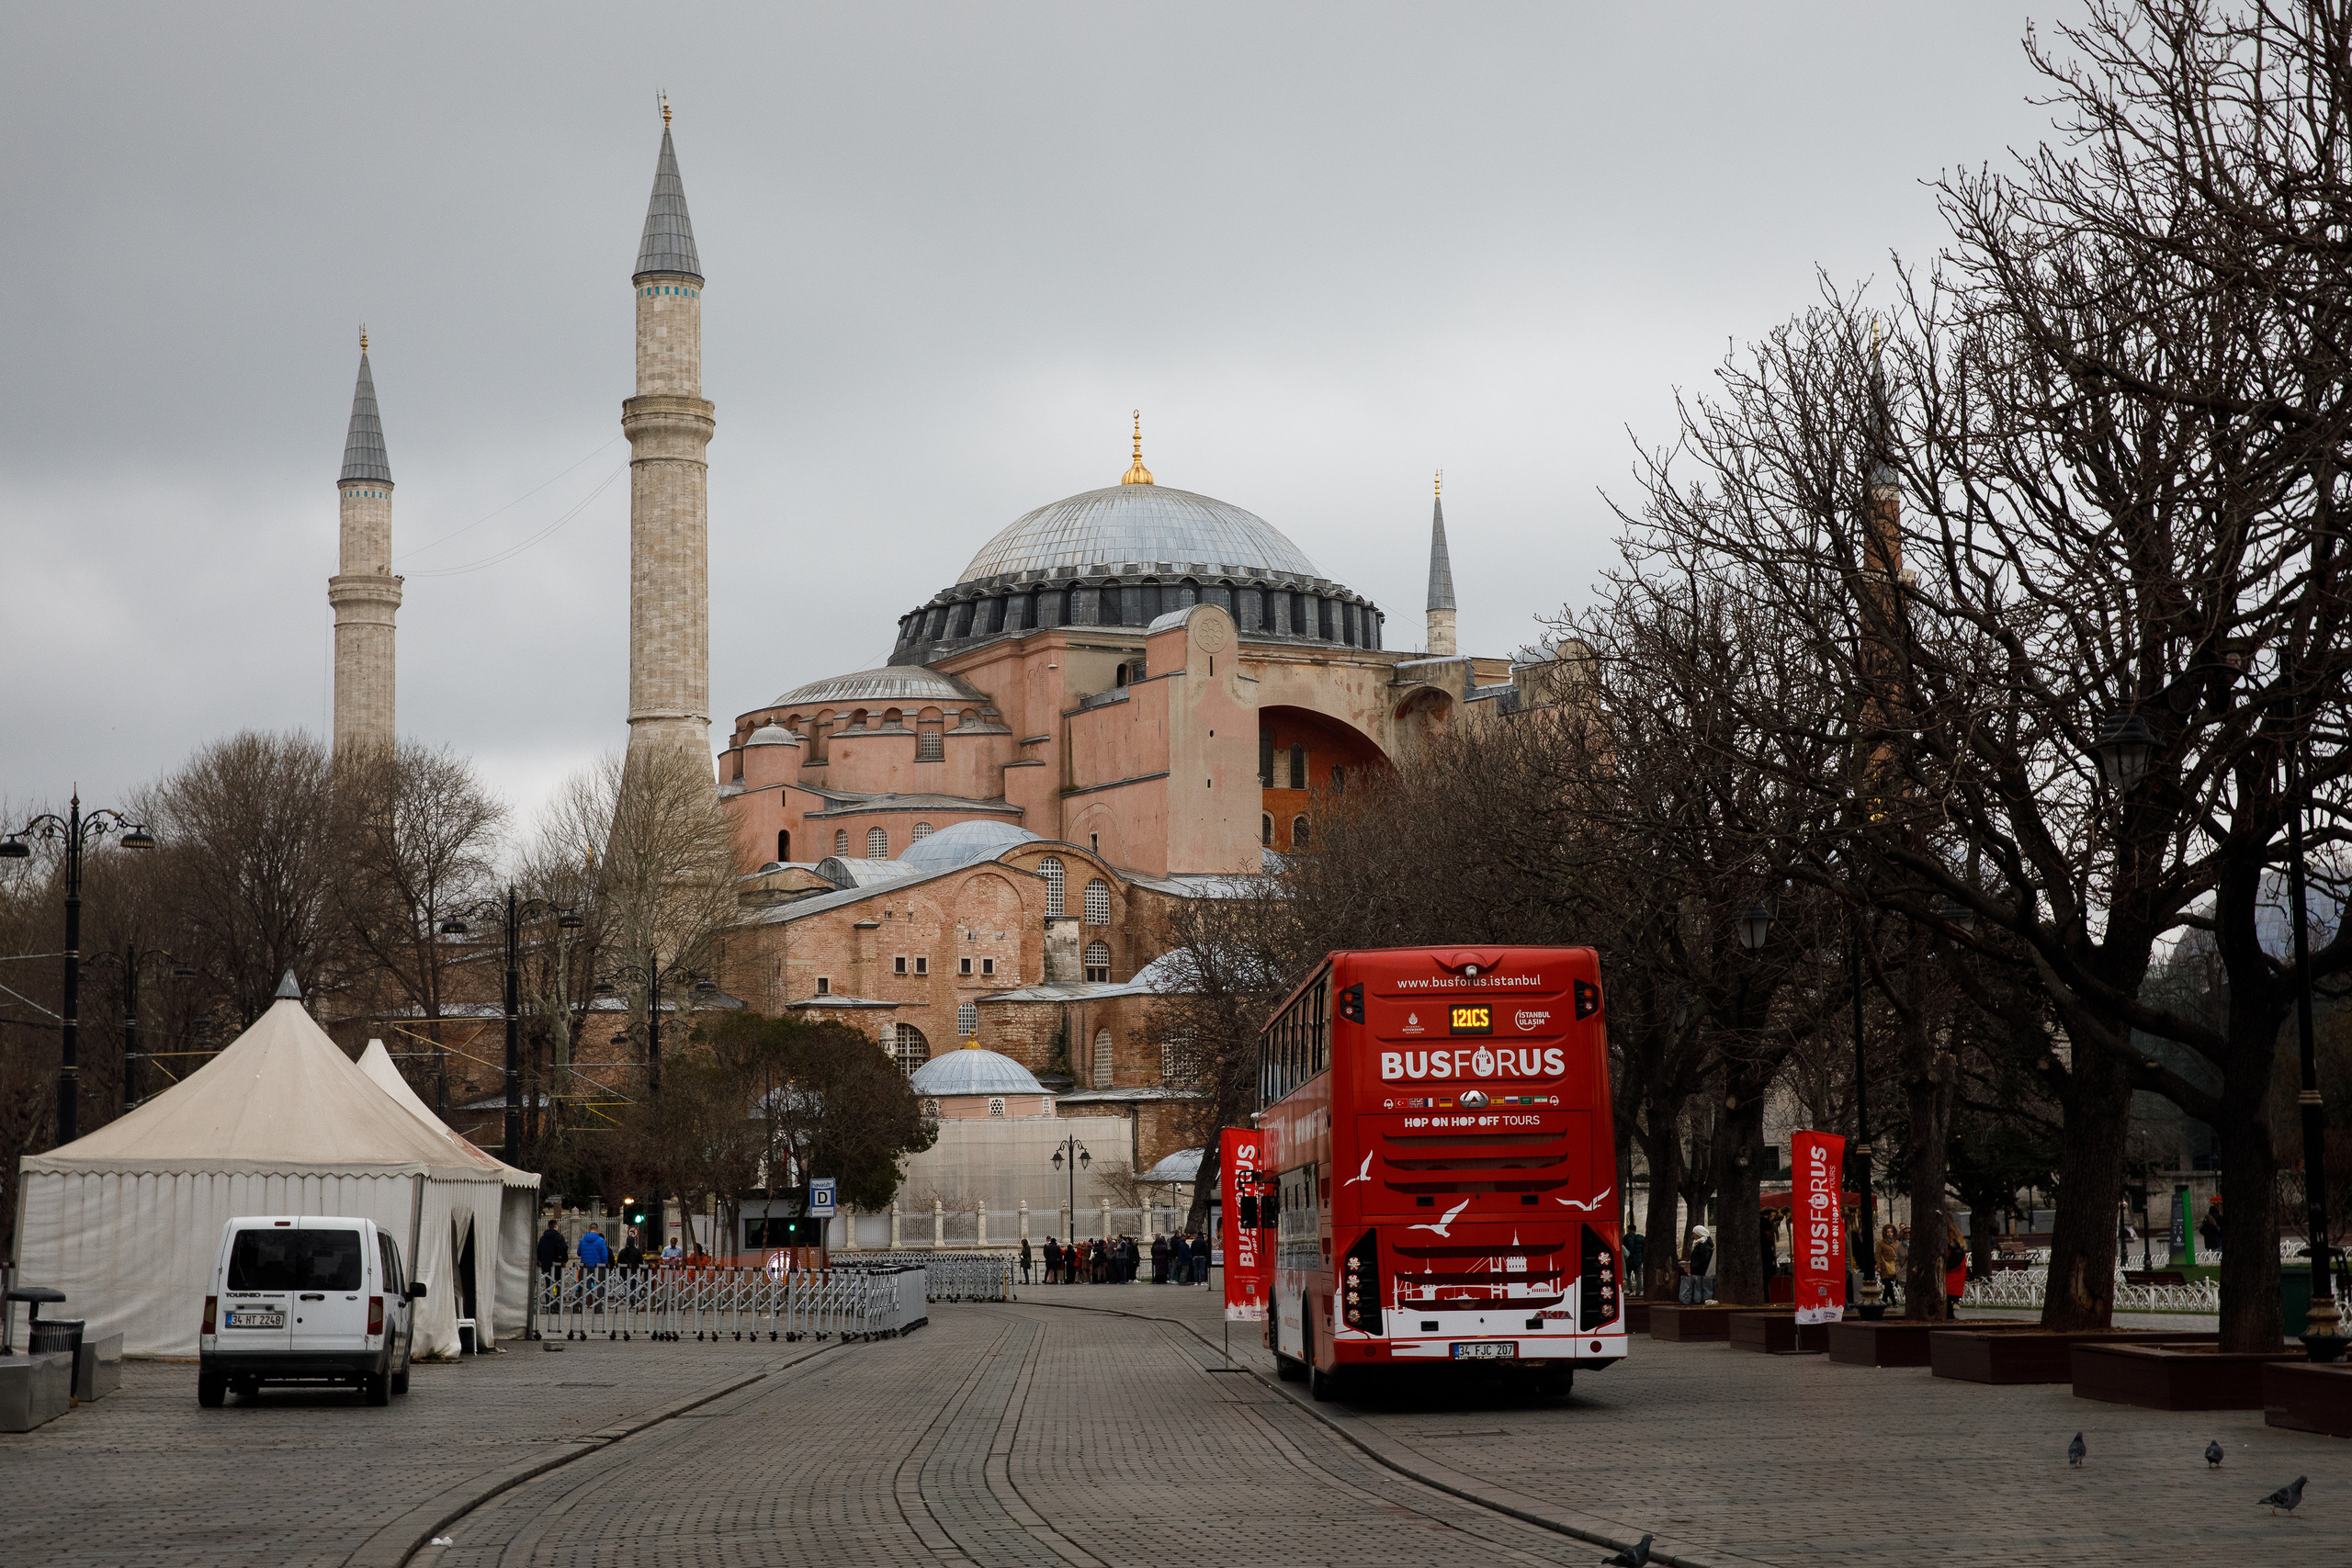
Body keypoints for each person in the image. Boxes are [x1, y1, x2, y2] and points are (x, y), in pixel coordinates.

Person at [1875, 1224, 1904, 1310]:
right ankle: (1894, 1302)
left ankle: (1884, 1301)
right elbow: (1877, 1254)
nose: (1889, 1234)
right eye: (1887, 1232)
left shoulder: (1897, 1243)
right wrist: (1878, 1265)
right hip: (1885, 1267)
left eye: (1891, 1232)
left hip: (1894, 1266)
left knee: (1889, 1285)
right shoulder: (1881, 1243)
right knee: (1889, 1284)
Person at [1683, 1226, 1713, 1304]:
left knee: (1699, 1287)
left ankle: (1699, 1301)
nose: (1693, 1236)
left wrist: (1695, 1266)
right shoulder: (1700, 1244)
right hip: (1699, 1271)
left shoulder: (1703, 1246)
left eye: (1694, 1234)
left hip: (1700, 1272)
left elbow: (1704, 1259)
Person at [1943, 1229, 1968, 1318]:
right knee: (1947, 1299)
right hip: (1953, 1275)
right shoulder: (1958, 1245)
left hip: (1951, 1275)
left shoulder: (1955, 1248)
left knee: (1947, 1298)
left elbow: (1953, 1262)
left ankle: (1950, 1317)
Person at [1625, 1226, 1645, 1294]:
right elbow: (1643, 1250)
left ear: (1628, 1230)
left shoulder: (1626, 1238)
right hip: (1638, 1261)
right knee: (1638, 1276)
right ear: (1635, 1230)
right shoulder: (1640, 1239)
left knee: (1628, 1275)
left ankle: (1630, 1289)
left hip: (1629, 1260)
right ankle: (1638, 1291)